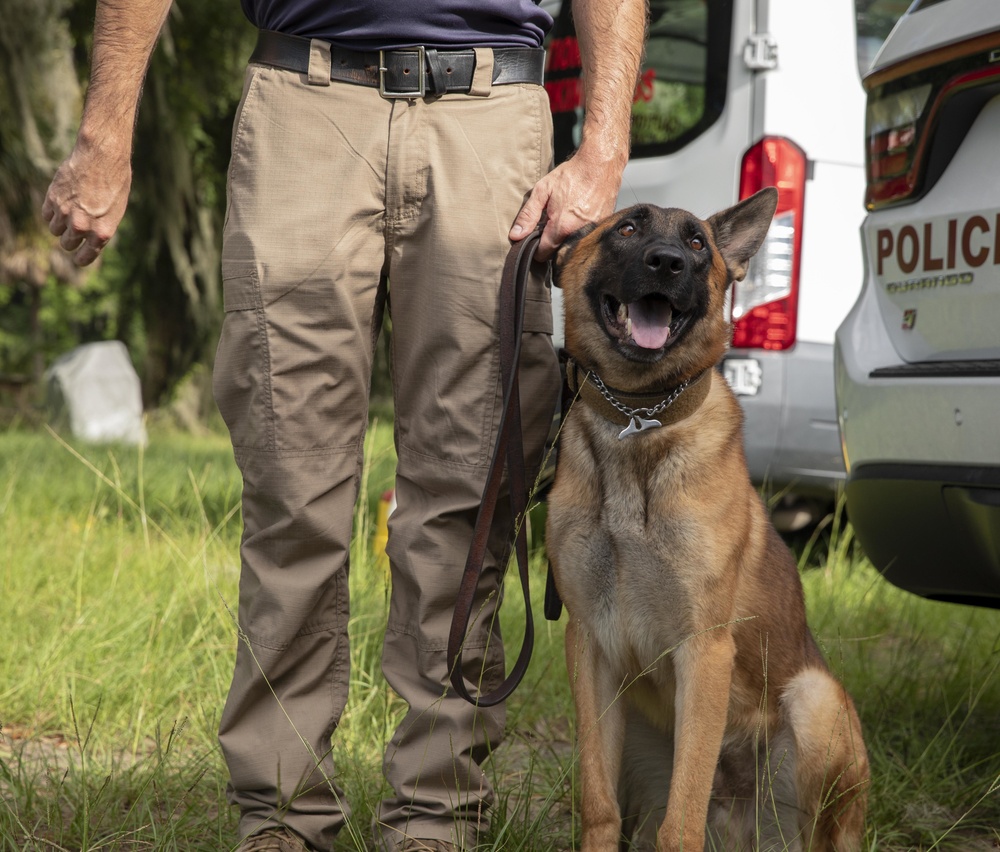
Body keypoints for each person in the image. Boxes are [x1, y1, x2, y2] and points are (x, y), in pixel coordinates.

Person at [42, 1, 645, 850]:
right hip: (302, 101)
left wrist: (604, 147)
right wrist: (105, 135)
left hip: (491, 108)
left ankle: (435, 818)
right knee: (293, 484)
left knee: (468, 494)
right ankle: (283, 818)